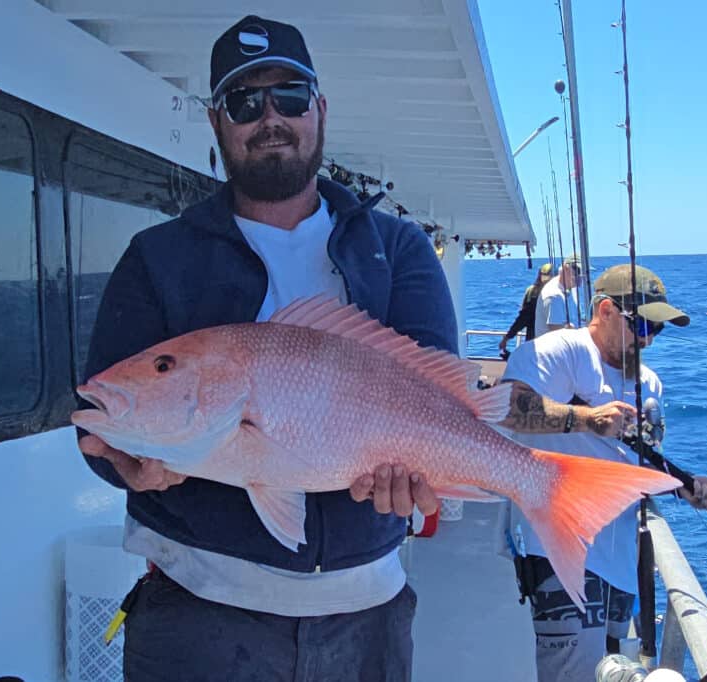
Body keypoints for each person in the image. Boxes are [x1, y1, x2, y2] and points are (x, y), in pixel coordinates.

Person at [76, 15, 458, 681]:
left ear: (321, 110)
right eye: (245, 103)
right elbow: (103, 427)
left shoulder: (398, 250)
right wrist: (126, 468)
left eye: (291, 96)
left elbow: (442, 399)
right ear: (218, 124)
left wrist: (420, 485)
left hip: (367, 616)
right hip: (197, 611)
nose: (270, 117)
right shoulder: (156, 258)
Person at [497, 264, 707, 682]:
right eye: (641, 325)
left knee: (613, 669)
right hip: (558, 548)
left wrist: (686, 488)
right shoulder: (560, 351)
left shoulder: (650, 383)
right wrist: (585, 419)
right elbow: (509, 409)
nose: (647, 339)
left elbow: (638, 462)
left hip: (621, 560)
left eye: (657, 331)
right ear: (606, 310)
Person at [498, 262, 553, 356]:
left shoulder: (534, 292)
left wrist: (506, 338)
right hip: (542, 342)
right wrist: (507, 337)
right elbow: (523, 318)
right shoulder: (535, 292)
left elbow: (523, 318)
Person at [532, 255, 582, 337]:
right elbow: (557, 333)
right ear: (565, 269)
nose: (580, 277)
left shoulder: (571, 289)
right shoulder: (554, 296)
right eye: (578, 272)